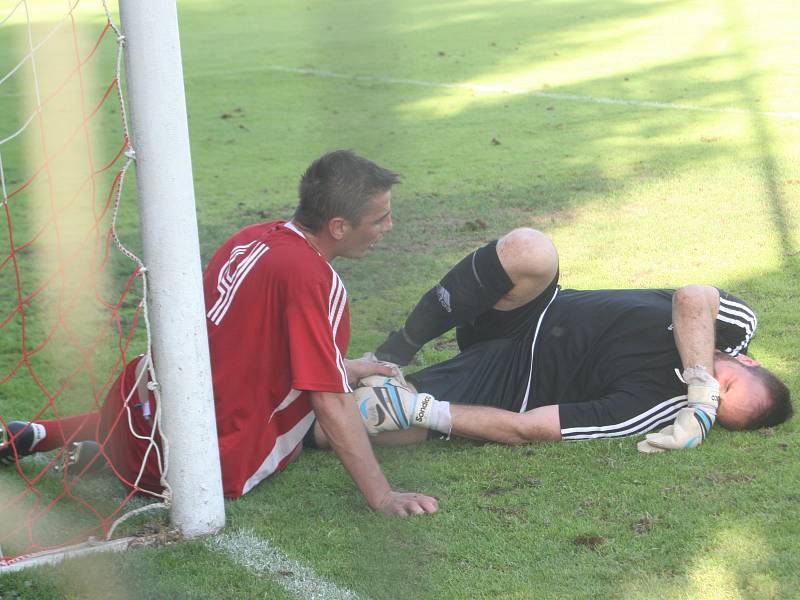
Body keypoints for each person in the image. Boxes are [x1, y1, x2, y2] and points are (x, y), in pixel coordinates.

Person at [0, 150, 438, 517]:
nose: (388, 228)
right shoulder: (315, 280)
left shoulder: (251, 237)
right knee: (316, 416)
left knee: (230, 385)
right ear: (339, 227)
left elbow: (246, 348)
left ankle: (46, 434)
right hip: (201, 465)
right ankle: (104, 459)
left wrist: (347, 365)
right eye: (380, 219)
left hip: (138, 405)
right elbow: (329, 399)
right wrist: (383, 495)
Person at [305, 227, 792, 451]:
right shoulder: (737, 326)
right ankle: (393, 352)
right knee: (530, 249)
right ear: (746, 362)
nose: (703, 402)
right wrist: (704, 391)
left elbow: (532, 426)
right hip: (533, 310)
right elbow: (691, 296)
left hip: (513, 381)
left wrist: (421, 410)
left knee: (337, 428)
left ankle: (364, 387)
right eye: (727, 389)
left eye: (716, 413)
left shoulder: (661, 409)